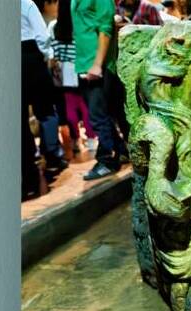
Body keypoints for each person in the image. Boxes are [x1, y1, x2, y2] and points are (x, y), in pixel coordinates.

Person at [72, 0, 128, 180]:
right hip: (84, 62)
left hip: (98, 65)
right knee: (102, 113)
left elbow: (106, 28)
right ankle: (120, 150)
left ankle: (107, 161)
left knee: (98, 116)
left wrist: (97, 64)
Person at [22, 0, 68, 199]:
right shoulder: (26, 3)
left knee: (18, 121)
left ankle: (29, 173)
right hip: (31, 57)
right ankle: (53, 157)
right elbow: (42, 35)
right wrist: (47, 55)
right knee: (46, 111)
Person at [51, 0, 98, 158]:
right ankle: (91, 140)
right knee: (85, 106)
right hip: (80, 68)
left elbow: (54, 53)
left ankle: (76, 140)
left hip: (65, 73)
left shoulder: (55, 27)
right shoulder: (80, 25)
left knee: (70, 107)